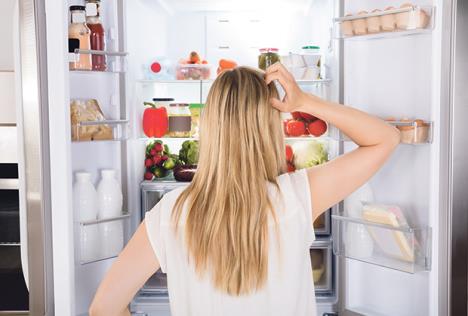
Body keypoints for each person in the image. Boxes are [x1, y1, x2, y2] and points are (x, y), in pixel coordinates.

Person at [89, 64, 400, 316]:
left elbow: (104, 307)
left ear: (210, 127)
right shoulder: (297, 196)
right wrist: (305, 101)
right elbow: (385, 138)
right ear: (268, 129)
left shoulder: (170, 213)